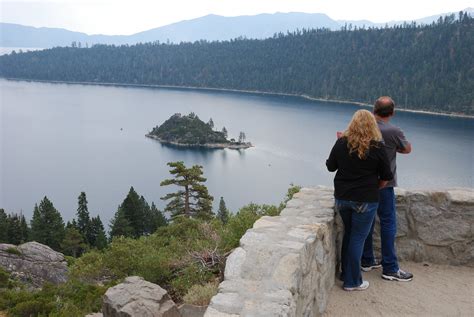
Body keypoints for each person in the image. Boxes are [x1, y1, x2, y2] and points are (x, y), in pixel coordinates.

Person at [326, 109, 393, 291]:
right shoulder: (377, 146)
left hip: (343, 198)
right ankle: (352, 282)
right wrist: (376, 187)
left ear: (352, 123)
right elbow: (387, 175)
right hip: (366, 199)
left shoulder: (341, 143)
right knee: (357, 239)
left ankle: (345, 273)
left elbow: (330, 167)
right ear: (372, 125)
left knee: (350, 234)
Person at [361, 96, 414, 282]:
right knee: (388, 223)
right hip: (385, 184)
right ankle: (390, 268)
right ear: (392, 113)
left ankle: (366, 260)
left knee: (366, 221)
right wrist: (393, 148)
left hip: (365, 184)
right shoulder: (393, 131)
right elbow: (407, 149)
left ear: (374, 110)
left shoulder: (364, 127)